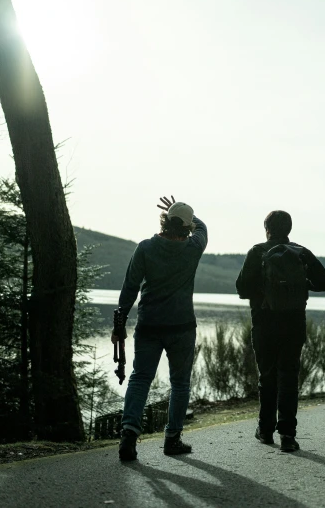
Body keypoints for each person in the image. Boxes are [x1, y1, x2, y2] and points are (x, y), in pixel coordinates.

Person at [115, 196, 207, 461]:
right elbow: (203, 229)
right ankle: (172, 439)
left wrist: (119, 325)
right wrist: (190, 216)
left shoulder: (145, 248)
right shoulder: (193, 247)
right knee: (180, 383)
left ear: (164, 221)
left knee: (140, 378)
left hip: (149, 325)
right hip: (182, 327)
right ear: (187, 228)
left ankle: (129, 437)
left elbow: (130, 287)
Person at [235, 210, 325, 452]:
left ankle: (265, 430)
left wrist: (264, 289)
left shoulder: (257, 252)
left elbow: (242, 288)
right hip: (294, 322)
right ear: (289, 229)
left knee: (267, 376)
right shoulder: (301, 253)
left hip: (264, 323)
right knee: (289, 376)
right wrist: (301, 284)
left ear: (266, 228)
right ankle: (288, 435)